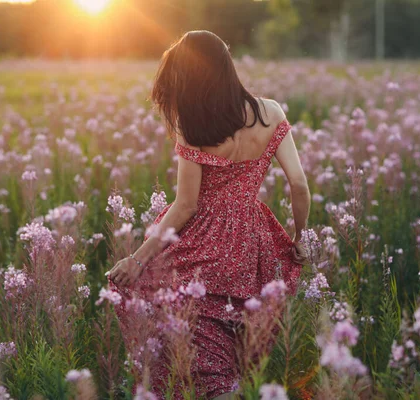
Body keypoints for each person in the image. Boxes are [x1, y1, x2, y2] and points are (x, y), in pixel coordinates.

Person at [108, 30, 311, 399]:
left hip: (203, 241)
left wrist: (138, 258)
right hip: (253, 240)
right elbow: (298, 184)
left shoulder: (194, 125)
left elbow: (187, 205)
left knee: (188, 335)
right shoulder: (272, 112)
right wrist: (299, 236)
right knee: (244, 345)